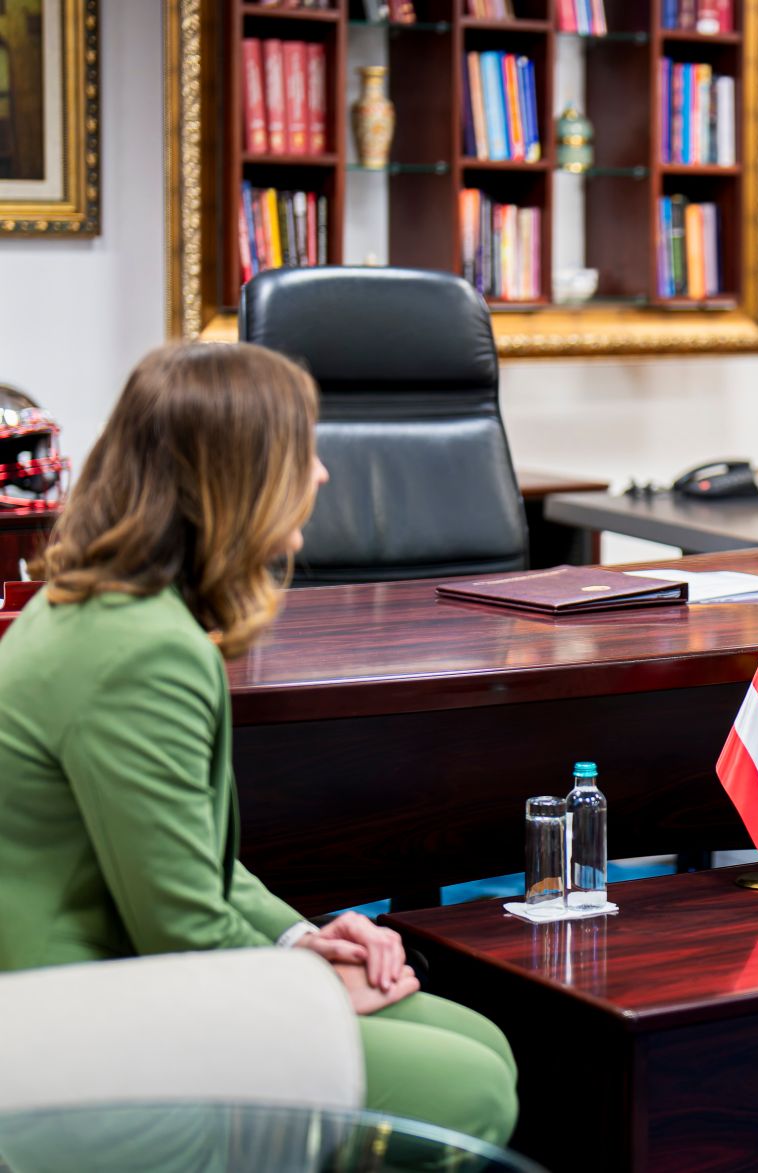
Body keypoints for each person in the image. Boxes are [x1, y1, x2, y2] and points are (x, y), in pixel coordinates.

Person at [0, 343, 518, 1146]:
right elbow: (181, 926)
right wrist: (312, 985)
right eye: (302, 451)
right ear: (235, 479)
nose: (322, 473)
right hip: (75, 1014)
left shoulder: (109, 606)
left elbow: (192, 862)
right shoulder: (138, 650)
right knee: (470, 1088)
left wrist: (302, 937)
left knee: (480, 1041)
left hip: (118, 970)